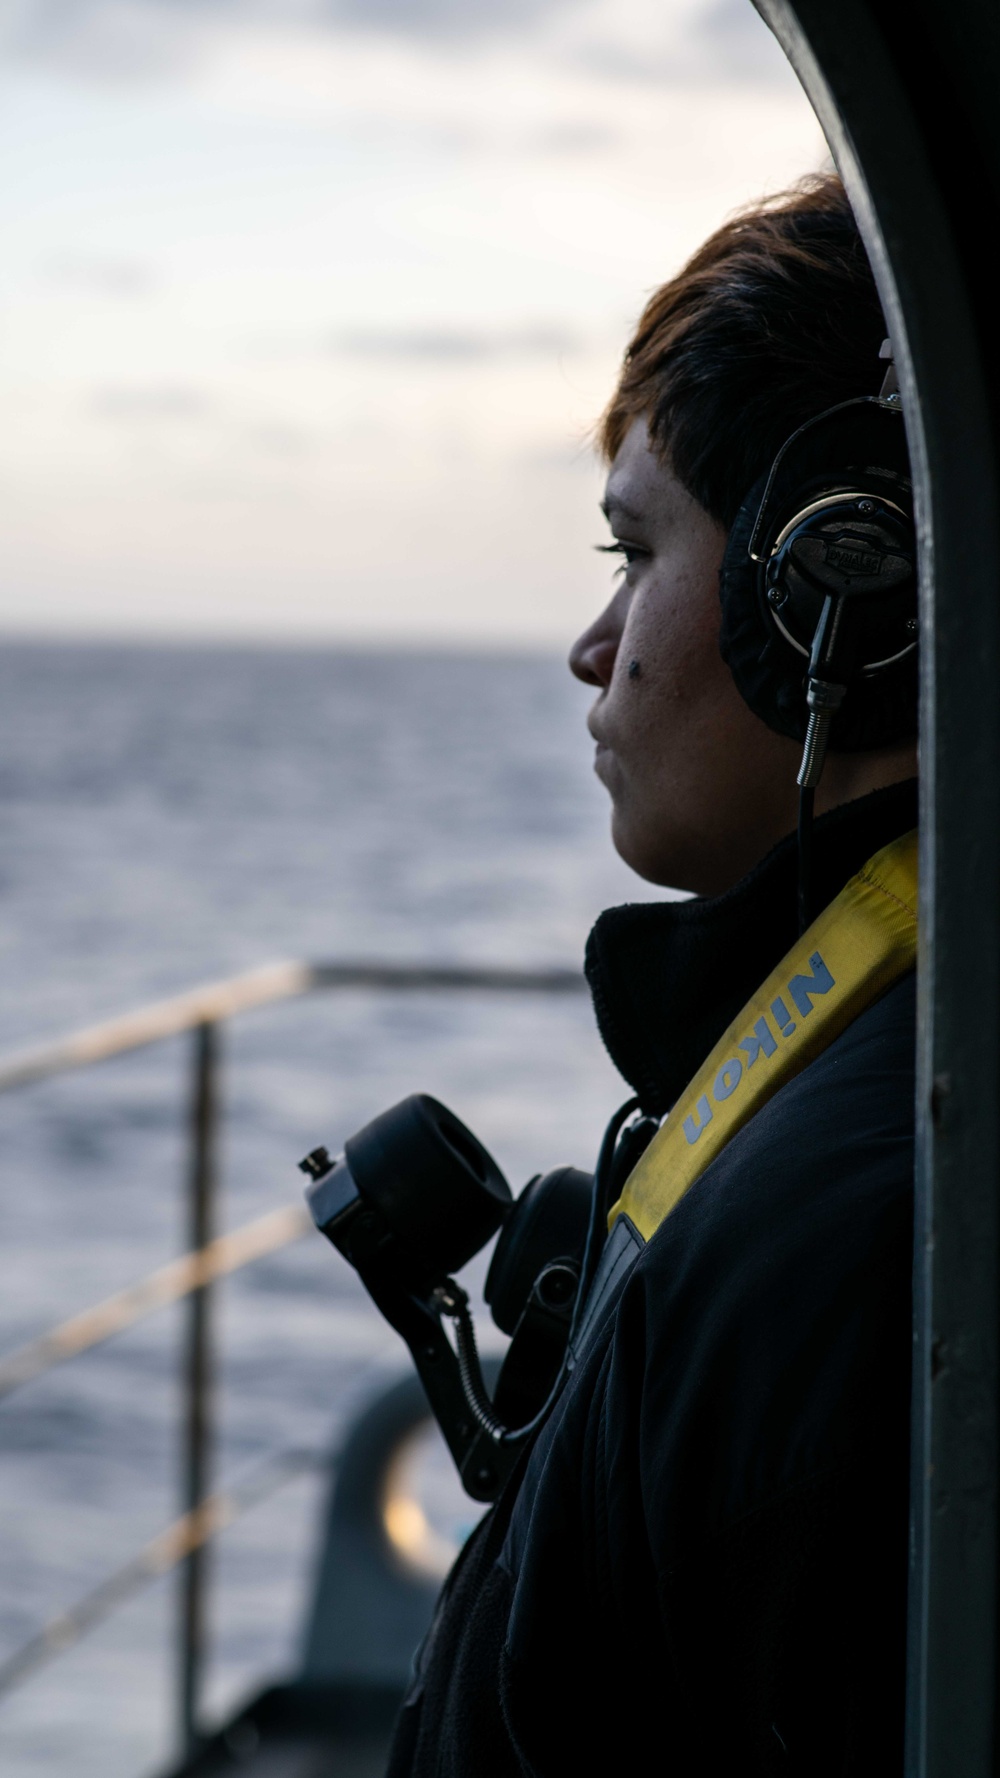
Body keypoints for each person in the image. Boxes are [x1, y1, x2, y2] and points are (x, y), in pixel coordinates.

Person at [387, 172, 918, 1777]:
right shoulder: (889, 1079)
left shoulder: (832, 1231)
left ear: (834, 584)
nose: (594, 646)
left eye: (636, 550)